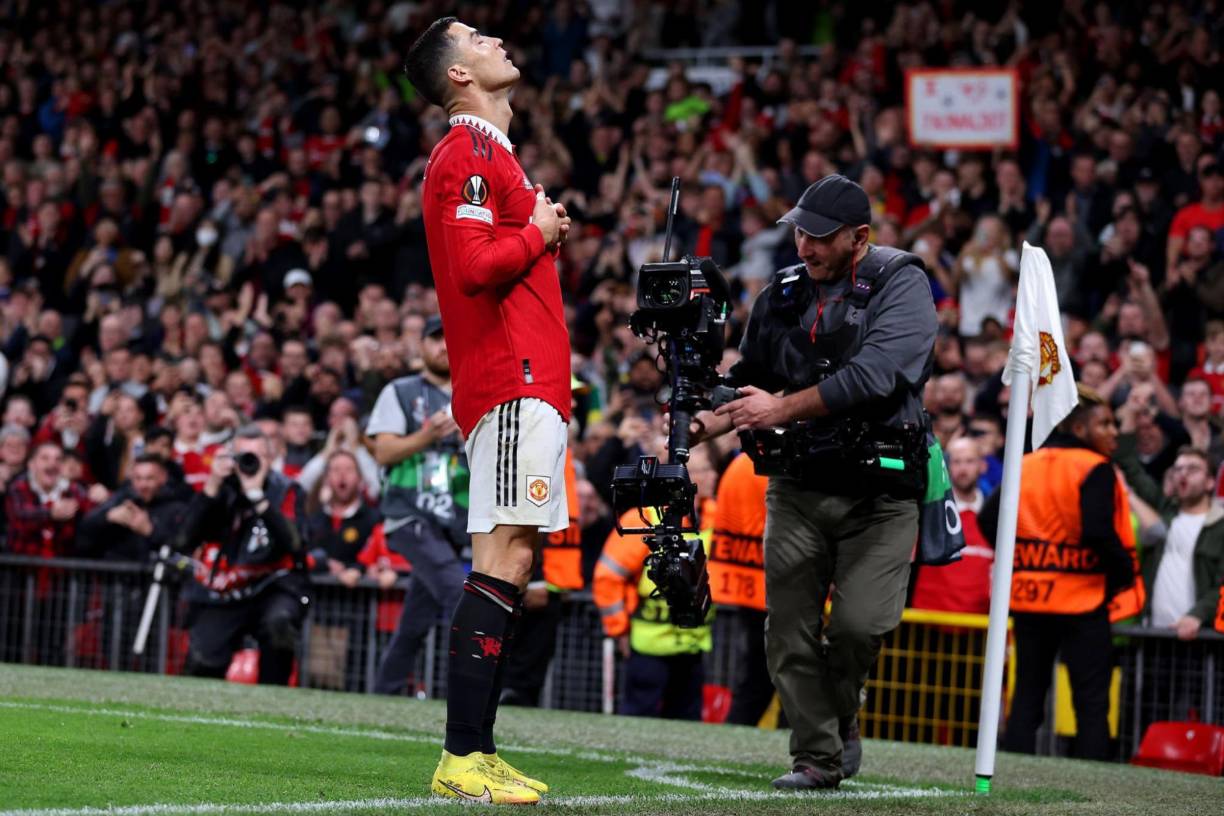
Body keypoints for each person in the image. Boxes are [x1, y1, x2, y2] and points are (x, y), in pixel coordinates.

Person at [692, 174, 938, 789]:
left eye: (821, 237)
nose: (805, 246)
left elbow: (878, 374)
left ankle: (841, 715)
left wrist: (779, 409)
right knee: (788, 630)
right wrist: (703, 420)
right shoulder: (782, 292)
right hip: (798, 484)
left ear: (860, 237)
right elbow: (748, 376)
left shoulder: (901, 281)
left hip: (881, 492)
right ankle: (816, 758)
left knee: (858, 626)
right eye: (800, 231)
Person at [405, 17, 573, 802]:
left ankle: (477, 746)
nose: (496, 39)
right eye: (475, 38)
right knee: (503, 563)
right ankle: (460, 754)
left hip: (524, 381)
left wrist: (536, 229)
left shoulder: (492, 154)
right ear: (459, 76)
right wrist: (537, 232)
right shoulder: (464, 153)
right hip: (512, 379)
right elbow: (475, 269)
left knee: (509, 563)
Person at [979, 386, 1142, 761]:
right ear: (1081, 429)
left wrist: (1018, 557)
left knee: (1027, 697)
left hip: (1030, 594)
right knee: (1090, 700)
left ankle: (1011, 772)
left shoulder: (1027, 462)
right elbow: (1098, 531)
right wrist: (1122, 573)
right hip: (1081, 599)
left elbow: (990, 518)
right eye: (1105, 424)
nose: (1114, 432)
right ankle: (1090, 782)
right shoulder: (1093, 467)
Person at [366, 315, 469, 696]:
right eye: (434, 339)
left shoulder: (472, 392)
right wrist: (427, 435)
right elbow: (383, 451)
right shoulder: (401, 391)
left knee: (416, 619)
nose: (443, 346)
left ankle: (385, 692)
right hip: (409, 512)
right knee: (461, 598)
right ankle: (472, 693)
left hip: (452, 518)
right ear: (421, 347)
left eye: (450, 338)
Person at [177, 425, 309, 685]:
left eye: (257, 456)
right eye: (243, 456)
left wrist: (257, 496)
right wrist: (212, 484)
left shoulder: (287, 489)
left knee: (278, 626)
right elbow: (184, 538)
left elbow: (294, 543)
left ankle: (274, 702)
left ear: (270, 458)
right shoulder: (222, 489)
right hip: (228, 590)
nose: (250, 463)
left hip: (275, 585)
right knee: (202, 661)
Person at [593, 444, 717, 719]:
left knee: (687, 724)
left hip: (692, 643)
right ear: (686, 480)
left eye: (710, 469)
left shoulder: (717, 517)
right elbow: (607, 577)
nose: (712, 476)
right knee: (639, 717)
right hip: (649, 645)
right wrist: (619, 631)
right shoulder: (646, 519)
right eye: (703, 471)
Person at [1122, 446, 1224, 641]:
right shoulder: (1162, 511)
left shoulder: (1220, 526)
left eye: (1192, 469)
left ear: (1210, 482)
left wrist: (1198, 615)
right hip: (1151, 633)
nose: (1183, 474)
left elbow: (1221, 586)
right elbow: (1131, 467)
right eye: (1178, 469)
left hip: (1199, 636)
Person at [707, 451, 774, 726]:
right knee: (764, 675)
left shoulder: (742, 464)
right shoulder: (763, 466)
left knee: (760, 673)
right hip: (766, 585)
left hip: (749, 582)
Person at [910, 436, 994, 615]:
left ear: (982, 465)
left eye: (970, 461)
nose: (963, 469)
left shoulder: (995, 517)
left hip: (978, 626)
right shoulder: (928, 510)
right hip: (927, 623)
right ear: (947, 467)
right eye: (957, 461)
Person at [77, 453, 191, 562]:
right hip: (118, 577)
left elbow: (184, 546)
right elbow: (84, 531)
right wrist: (107, 517)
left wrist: (150, 531)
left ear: (163, 477)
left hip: (158, 577)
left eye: (149, 478)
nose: (142, 485)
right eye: (138, 478)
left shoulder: (177, 506)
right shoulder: (121, 499)